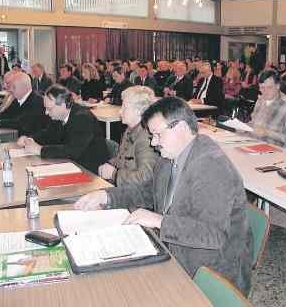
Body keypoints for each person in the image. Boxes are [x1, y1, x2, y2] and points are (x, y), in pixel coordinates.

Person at [75, 97, 253, 295]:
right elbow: (147, 192)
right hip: (175, 251)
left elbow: (214, 236)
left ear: (181, 127)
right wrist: (107, 196)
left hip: (209, 270)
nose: (153, 142)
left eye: (157, 134)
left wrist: (160, 221)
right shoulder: (171, 157)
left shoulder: (212, 167)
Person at [18, 84, 109, 174]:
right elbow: (48, 134)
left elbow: (73, 150)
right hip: (71, 164)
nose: (46, 113)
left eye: (49, 109)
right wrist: (29, 139)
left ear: (64, 105)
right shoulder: (59, 115)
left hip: (90, 170)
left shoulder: (82, 118)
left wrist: (40, 150)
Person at [97, 86, 159, 189]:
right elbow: (122, 159)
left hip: (136, 198)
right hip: (125, 190)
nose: (120, 112)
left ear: (139, 111)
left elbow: (146, 179)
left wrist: (114, 174)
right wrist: (109, 164)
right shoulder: (130, 130)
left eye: (124, 107)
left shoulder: (147, 138)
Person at [246, 70, 286, 150]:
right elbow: (254, 123)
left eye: (269, 87)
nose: (265, 92)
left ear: (278, 86)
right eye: (262, 88)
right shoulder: (260, 101)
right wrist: (245, 128)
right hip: (255, 146)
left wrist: (268, 133)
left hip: (278, 152)